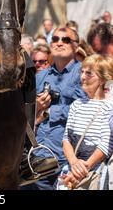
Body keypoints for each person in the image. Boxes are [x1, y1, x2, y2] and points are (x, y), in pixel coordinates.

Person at [25, 26, 87, 190]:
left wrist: (49, 112)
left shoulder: (83, 73)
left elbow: (84, 110)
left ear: (76, 45)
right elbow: (26, 112)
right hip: (37, 156)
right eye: (55, 39)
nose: (59, 43)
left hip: (66, 159)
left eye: (65, 39)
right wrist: (36, 109)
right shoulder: (40, 77)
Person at [59, 54, 113, 190]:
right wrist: (73, 162)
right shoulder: (76, 104)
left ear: (101, 80)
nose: (82, 77)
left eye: (89, 73)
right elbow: (66, 139)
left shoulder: (109, 106)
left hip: (96, 172)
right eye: (82, 72)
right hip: (72, 168)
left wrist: (83, 170)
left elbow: (106, 145)